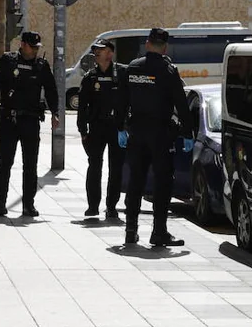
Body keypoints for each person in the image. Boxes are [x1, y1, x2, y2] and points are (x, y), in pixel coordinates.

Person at [117, 27, 193, 247]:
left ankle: (130, 230)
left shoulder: (132, 68)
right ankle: (159, 232)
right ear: (165, 47)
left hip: (136, 133)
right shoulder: (168, 70)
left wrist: (120, 127)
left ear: (148, 44)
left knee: (135, 181)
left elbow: (121, 101)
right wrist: (187, 132)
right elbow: (181, 103)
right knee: (162, 183)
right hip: (160, 135)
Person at [0, 31, 59, 218]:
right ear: (23, 45)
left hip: (31, 120)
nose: (35, 50)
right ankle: (0, 205)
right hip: (10, 119)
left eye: (37, 48)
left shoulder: (41, 66)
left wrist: (55, 113)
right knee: (5, 162)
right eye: (32, 47)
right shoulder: (8, 61)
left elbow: (51, 90)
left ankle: (28, 205)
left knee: (30, 165)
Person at [77, 37, 125, 219]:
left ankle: (111, 206)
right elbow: (82, 107)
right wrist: (83, 131)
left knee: (116, 168)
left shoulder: (121, 74)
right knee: (94, 166)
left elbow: (128, 101)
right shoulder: (90, 77)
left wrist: (127, 127)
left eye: (101, 49)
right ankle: (92, 206)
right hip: (97, 128)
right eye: (95, 49)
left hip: (117, 128)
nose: (96, 52)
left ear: (110, 53)